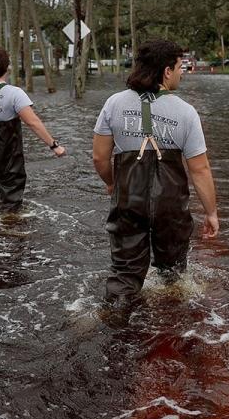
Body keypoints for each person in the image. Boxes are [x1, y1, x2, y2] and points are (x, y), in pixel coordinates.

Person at [92, 39, 219, 307]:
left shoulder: (114, 104)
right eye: (179, 66)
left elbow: (100, 157)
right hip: (170, 208)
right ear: (166, 71)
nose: (182, 72)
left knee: (124, 276)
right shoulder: (186, 113)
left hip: (128, 200)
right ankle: (169, 330)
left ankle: (112, 320)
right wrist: (211, 212)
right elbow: (200, 170)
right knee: (172, 278)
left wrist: (113, 184)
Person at [0, 47, 66, 212]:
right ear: (7, 67)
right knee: (11, 188)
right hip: (6, 154)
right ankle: (7, 227)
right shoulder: (15, 94)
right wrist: (54, 145)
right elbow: (33, 122)